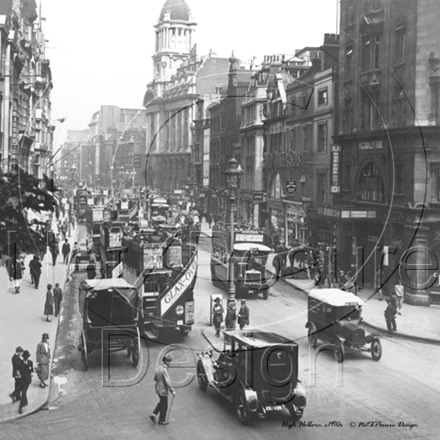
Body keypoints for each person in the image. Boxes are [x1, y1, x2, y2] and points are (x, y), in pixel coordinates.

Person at [150, 355, 175, 425]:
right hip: (163, 390)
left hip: (158, 388)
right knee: (165, 406)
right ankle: (161, 420)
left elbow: (155, 378)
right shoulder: (165, 370)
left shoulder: (159, 368)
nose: (171, 364)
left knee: (162, 402)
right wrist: (172, 390)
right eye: (170, 362)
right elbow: (168, 382)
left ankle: (154, 414)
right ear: (167, 362)